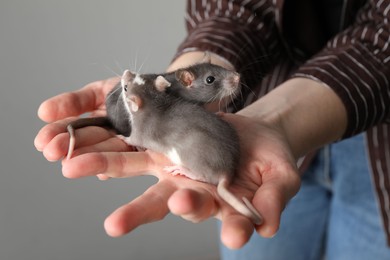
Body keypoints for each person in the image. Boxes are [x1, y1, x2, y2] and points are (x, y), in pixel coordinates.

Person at [34, 0, 390, 259]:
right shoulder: (156, 99)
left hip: (379, 147)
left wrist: (274, 121)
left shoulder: (160, 106)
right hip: (255, 127)